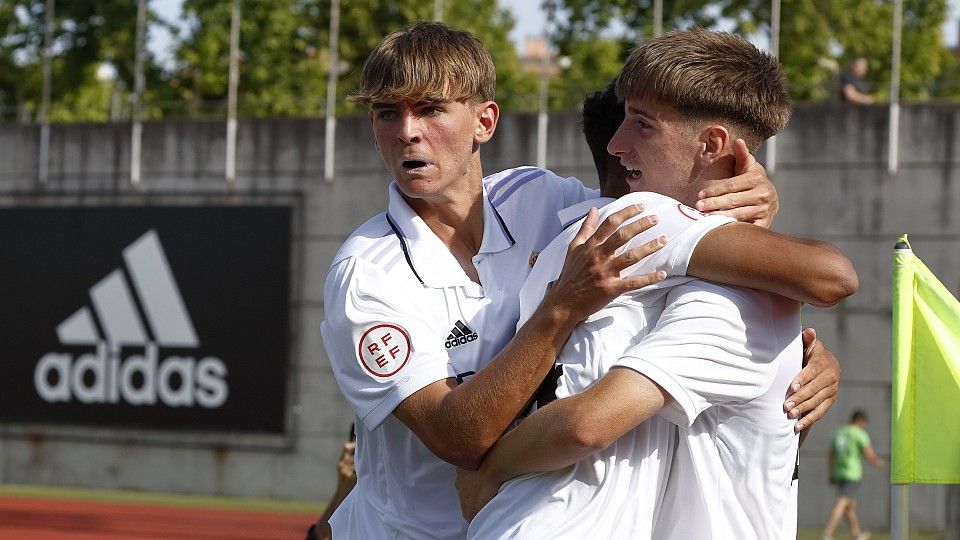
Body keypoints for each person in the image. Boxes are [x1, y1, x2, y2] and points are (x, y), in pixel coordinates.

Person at [319, 22, 847, 539]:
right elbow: (458, 436)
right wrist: (560, 308)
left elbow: (674, 225)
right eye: (387, 113)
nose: (407, 131)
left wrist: (778, 338)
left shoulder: (547, 200)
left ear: (485, 121)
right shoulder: (365, 274)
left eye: (430, 109)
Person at [823, 410, 885, 540]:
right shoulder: (858, 434)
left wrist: (831, 473)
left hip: (839, 472)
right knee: (842, 502)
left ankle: (857, 534)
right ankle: (827, 533)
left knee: (849, 505)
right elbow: (868, 453)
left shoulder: (839, 433)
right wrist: (878, 462)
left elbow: (831, 456)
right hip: (852, 473)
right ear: (860, 421)